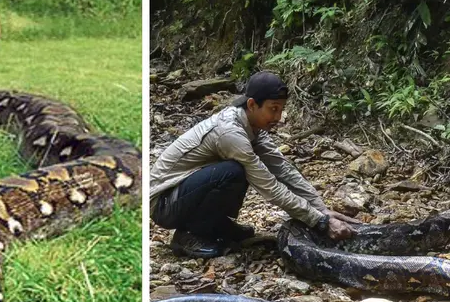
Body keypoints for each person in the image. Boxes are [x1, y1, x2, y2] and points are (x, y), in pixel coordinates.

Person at [150, 71, 360, 258]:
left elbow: (283, 169)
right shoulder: (230, 133)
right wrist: (319, 221)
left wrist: (321, 209)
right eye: (273, 109)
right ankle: (189, 235)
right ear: (252, 105)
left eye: (281, 109)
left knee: (235, 171)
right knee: (233, 172)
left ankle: (216, 224)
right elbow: (269, 186)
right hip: (163, 203)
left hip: (182, 193)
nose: (278, 117)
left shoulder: (253, 127)